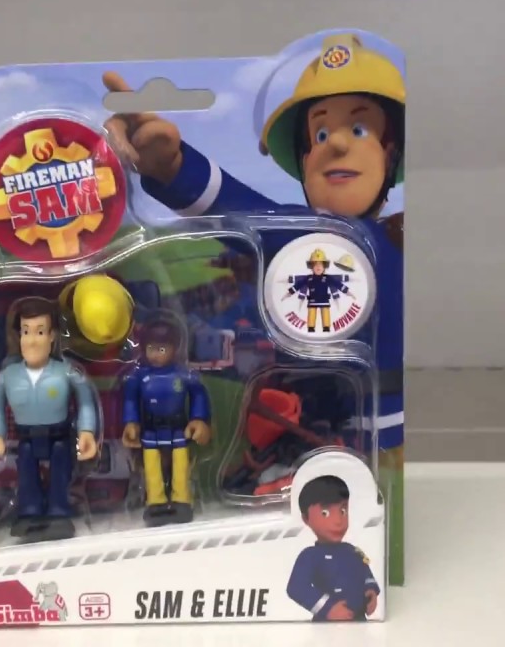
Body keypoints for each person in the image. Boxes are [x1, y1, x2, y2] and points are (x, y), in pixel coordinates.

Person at [102, 32, 405, 457]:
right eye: (319, 135)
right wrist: (173, 168)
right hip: (316, 426)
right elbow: (241, 208)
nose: (336, 144)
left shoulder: (402, 237)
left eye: (359, 129)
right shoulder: (305, 236)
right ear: (303, 159)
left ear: (391, 154)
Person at [0, 296, 99, 539]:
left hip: (60, 437)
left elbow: (86, 403)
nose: (32, 341)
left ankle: (58, 511)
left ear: (52, 335)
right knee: (26, 473)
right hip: (26, 439)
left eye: (39, 332)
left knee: (60, 473)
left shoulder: (67, 372)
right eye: (26, 331)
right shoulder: (7, 376)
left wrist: (87, 432)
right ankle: (30, 512)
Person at [121, 317, 212, 525]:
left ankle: (182, 500)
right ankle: (156, 501)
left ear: (174, 348)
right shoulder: (139, 376)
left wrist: (198, 419)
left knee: (181, 465)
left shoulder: (183, 375)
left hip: (178, 427)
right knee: (152, 466)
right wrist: (131, 422)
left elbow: (199, 394)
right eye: (151, 349)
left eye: (161, 349)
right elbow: (130, 399)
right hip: (151, 429)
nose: (155, 354)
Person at [286, 475, 380, 621]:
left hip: (360, 621)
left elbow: (365, 572)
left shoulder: (353, 550)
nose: (338, 521)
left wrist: (371, 590)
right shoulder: (310, 556)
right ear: (306, 519)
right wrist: (327, 608)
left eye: (343, 511)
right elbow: (297, 587)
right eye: (325, 513)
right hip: (326, 625)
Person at [286, 248, 352, 333]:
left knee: (325, 314)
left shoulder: (327, 278)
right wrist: (290, 292)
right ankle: (311, 328)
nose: (318, 267)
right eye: (315, 264)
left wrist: (348, 292)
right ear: (311, 267)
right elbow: (298, 285)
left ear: (324, 267)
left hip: (324, 300)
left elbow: (338, 284)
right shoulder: (308, 278)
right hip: (312, 301)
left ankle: (326, 327)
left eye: (320, 264)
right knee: (311, 314)